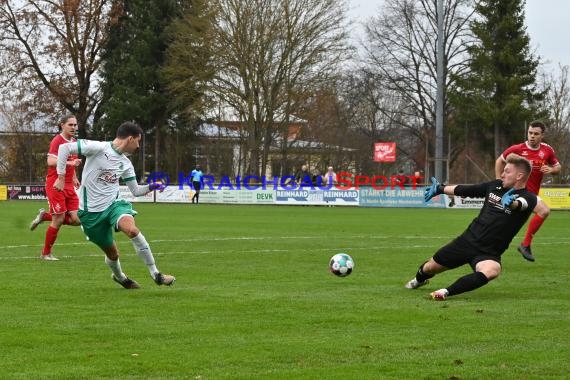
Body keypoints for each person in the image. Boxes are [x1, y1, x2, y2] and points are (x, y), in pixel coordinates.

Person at [405, 153, 546, 300]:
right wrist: (440, 188)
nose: (502, 174)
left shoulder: (529, 197)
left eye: (507, 171)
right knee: (430, 268)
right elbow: (466, 190)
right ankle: (418, 280)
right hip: (466, 242)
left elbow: (521, 204)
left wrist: (512, 203)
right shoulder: (494, 186)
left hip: (488, 253)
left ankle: (444, 292)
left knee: (493, 270)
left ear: (519, 176)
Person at [54, 121, 175, 289]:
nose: (138, 146)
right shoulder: (98, 148)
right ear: (130, 139)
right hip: (90, 213)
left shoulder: (126, 163)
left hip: (114, 205)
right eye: (138, 141)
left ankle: (156, 274)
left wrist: (151, 186)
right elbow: (64, 149)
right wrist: (60, 177)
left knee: (132, 230)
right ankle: (120, 277)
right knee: (112, 253)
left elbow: (136, 191)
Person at [495, 120, 561, 262]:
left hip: (531, 194)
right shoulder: (518, 149)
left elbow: (558, 167)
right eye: (530, 133)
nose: (532, 136)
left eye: (536, 134)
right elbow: (499, 160)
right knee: (543, 211)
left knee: (508, 226)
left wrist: (551, 170)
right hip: (519, 192)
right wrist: (498, 181)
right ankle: (524, 245)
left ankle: (519, 246)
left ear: (542, 135)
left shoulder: (547, 150)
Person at [30, 114, 82, 261]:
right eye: (70, 125)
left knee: (77, 219)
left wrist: (73, 177)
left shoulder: (74, 142)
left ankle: (44, 216)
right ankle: (45, 253)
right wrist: (70, 164)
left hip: (68, 185)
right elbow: (50, 160)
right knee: (58, 219)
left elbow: (72, 161)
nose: (73, 127)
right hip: (56, 183)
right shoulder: (57, 141)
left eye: (75, 125)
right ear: (62, 125)